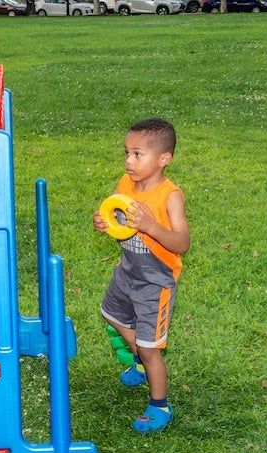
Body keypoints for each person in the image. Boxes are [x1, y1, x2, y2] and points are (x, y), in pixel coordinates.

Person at [93, 117, 191, 434]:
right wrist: (105, 222)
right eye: (126, 153)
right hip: (128, 270)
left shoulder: (169, 196)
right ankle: (139, 359)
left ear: (164, 159)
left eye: (138, 154)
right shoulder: (125, 184)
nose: (128, 161)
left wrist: (152, 226)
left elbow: (182, 243)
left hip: (156, 280)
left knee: (151, 349)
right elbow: (117, 217)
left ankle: (159, 404)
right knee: (110, 313)